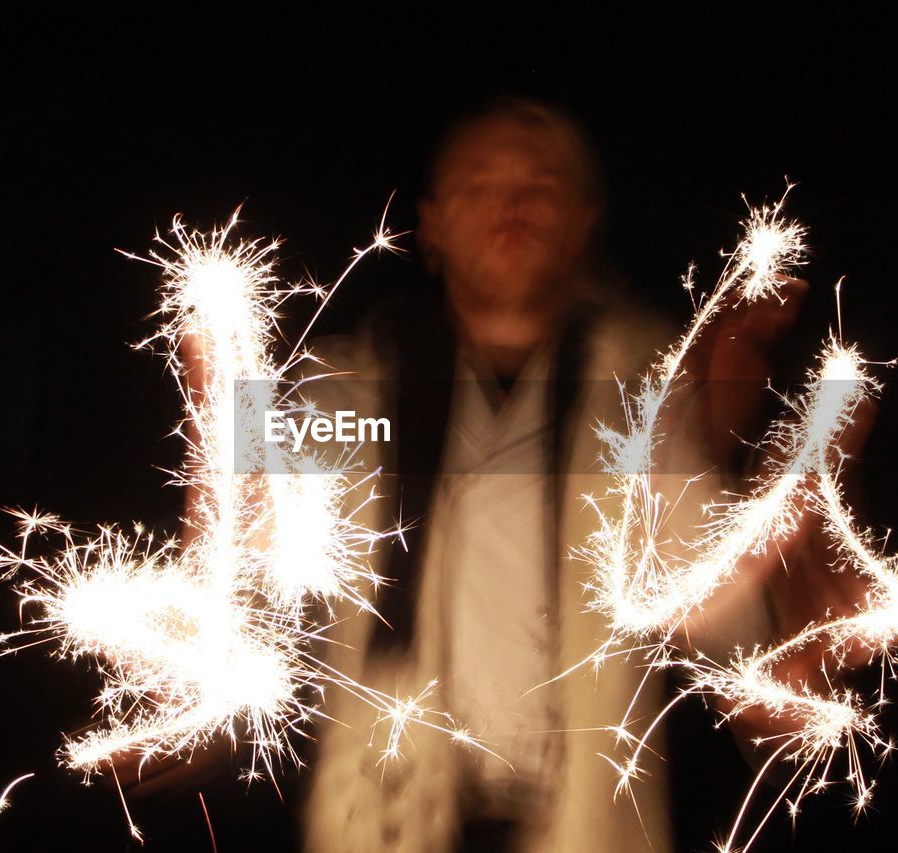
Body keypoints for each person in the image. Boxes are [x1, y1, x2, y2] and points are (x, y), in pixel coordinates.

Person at [295, 97, 814, 853]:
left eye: (540, 186)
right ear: (432, 225)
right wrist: (216, 400)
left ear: (581, 222)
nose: (510, 206)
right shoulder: (345, 389)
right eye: (479, 184)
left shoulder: (644, 404)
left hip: (583, 829)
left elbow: (711, 604)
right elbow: (240, 543)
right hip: (383, 821)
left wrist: (743, 456)